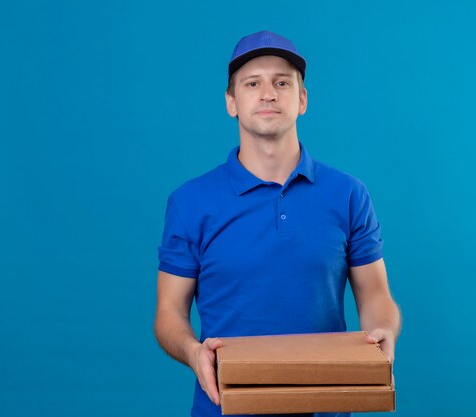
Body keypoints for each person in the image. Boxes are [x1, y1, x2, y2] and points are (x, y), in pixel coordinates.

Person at [154, 30, 401, 417]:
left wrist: (384, 328)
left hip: (328, 407)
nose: (268, 93)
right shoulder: (189, 202)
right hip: (226, 407)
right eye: (252, 83)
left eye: (281, 83)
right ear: (231, 102)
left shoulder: (349, 194)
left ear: (302, 99)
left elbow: (374, 294)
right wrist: (191, 351)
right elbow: (169, 311)